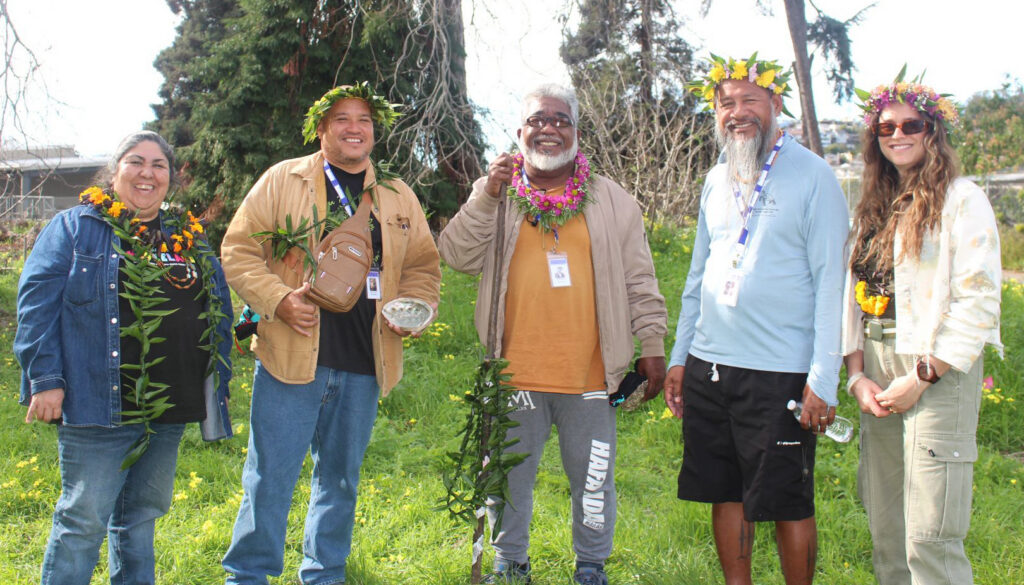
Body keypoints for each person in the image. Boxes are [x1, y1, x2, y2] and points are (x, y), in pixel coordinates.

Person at [439, 83, 668, 585]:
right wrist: (487, 193)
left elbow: (640, 280)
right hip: (513, 370)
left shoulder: (613, 201)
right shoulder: (499, 195)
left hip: (591, 373)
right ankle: (510, 561)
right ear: (519, 133)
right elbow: (455, 255)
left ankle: (590, 565)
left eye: (560, 120)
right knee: (508, 480)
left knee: (593, 480)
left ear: (576, 132)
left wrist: (651, 346)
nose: (549, 128)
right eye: (538, 120)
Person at [220, 82, 441, 585]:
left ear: (374, 132)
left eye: (363, 119)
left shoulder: (398, 196)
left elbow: (424, 266)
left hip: (365, 360)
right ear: (321, 129)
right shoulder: (283, 180)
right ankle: (248, 577)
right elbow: (237, 251)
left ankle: (324, 575)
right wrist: (278, 300)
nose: (354, 128)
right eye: (342, 119)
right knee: (269, 478)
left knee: (340, 481)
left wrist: (417, 306)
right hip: (292, 357)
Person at [14, 130, 234, 585]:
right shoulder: (76, 228)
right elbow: (35, 307)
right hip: (97, 404)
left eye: (159, 165)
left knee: (140, 518)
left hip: (168, 406)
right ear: (114, 172)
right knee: (82, 522)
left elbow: (217, 308)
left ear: (170, 178)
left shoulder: (187, 236)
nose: (147, 173)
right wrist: (46, 379)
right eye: (136, 161)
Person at [666, 55, 849, 585]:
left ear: (776, 105)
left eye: (750, 100)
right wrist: (681, 357)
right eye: (727, 103)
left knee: (788, 499)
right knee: (723, 490)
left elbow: (831, 286)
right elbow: (698, 274)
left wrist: (823, 377)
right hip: (711, 366)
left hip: (780, 371)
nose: (738, 112)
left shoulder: (814, 177)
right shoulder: (717, 177)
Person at [842, 73, 1001, 585]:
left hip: (936, 371)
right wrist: (855, 374)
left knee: (929, 535)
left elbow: (977, 300)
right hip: (878, 365)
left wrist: (922, 376)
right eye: (885, 127)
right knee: (888, 528)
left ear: (933, 130)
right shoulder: (873, 204)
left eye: (911, 124)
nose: (897, 134)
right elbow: (854, 298)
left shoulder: (962, 199)